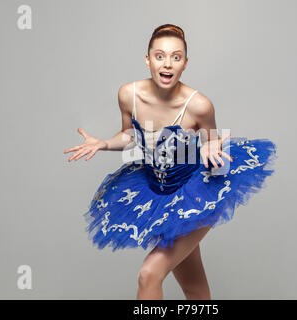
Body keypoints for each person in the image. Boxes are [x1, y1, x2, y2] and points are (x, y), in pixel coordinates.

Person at [63, 24, 277, 300]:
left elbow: (215, 153)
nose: (167, 64)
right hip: (156, 195)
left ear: (185, 63)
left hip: (195, 195)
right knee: (194, 286)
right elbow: (130, 136)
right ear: (148, 59)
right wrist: (104, 143)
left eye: (176, 57)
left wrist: (211, 149)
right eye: (160, 56)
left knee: (149, 274)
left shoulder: (199, 105)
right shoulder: (128, 95)